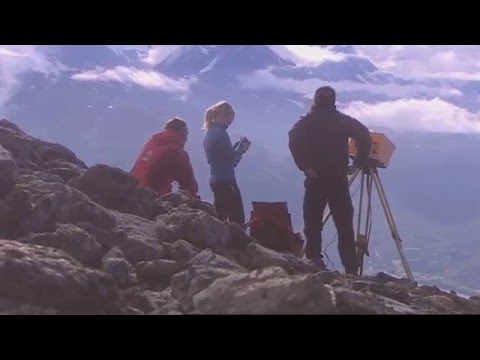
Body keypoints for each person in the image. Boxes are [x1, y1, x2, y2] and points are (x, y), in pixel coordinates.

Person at [288, 86, 372, 275]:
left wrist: (305, 166)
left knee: (313, 222)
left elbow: (293, 139)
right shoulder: (341, 121)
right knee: (344, 225)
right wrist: (359, 162)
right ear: (333, 101)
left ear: (316, 100)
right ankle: (350, 268)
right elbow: (364, 135)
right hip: (338, 178)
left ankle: (314, 261)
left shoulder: (307, 122)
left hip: (315, 179)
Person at [203, 101, 251, 225]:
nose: (231, 123)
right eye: (230, 119)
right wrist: (242, 148)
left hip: (215, 179)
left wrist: (236, 148)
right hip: (226, 180)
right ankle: (235, 243)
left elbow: (222, 157)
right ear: (224, 116)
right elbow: (230, 159)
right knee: (237, 217)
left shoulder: (210, 132)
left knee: (220, 213)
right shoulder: (221, 134)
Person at [131, 117, 199, 198]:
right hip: (152, 196)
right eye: (186, 134)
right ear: (182, 134)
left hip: (133, 190)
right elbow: (189, 184)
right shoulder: (174, 152)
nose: (187, 138)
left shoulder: (153, 143)